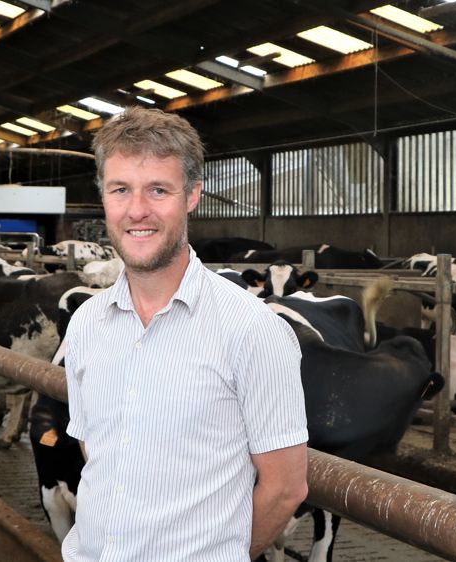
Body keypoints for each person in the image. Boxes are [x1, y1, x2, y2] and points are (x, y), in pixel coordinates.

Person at [61, 107, 309, 561]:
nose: (137, 211)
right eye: (121, 190)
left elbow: (285, 488)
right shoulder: (86, 323)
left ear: (192, 195)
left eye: (159, 189)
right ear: (104, 196)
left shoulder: (252, 330)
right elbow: (95, 450)